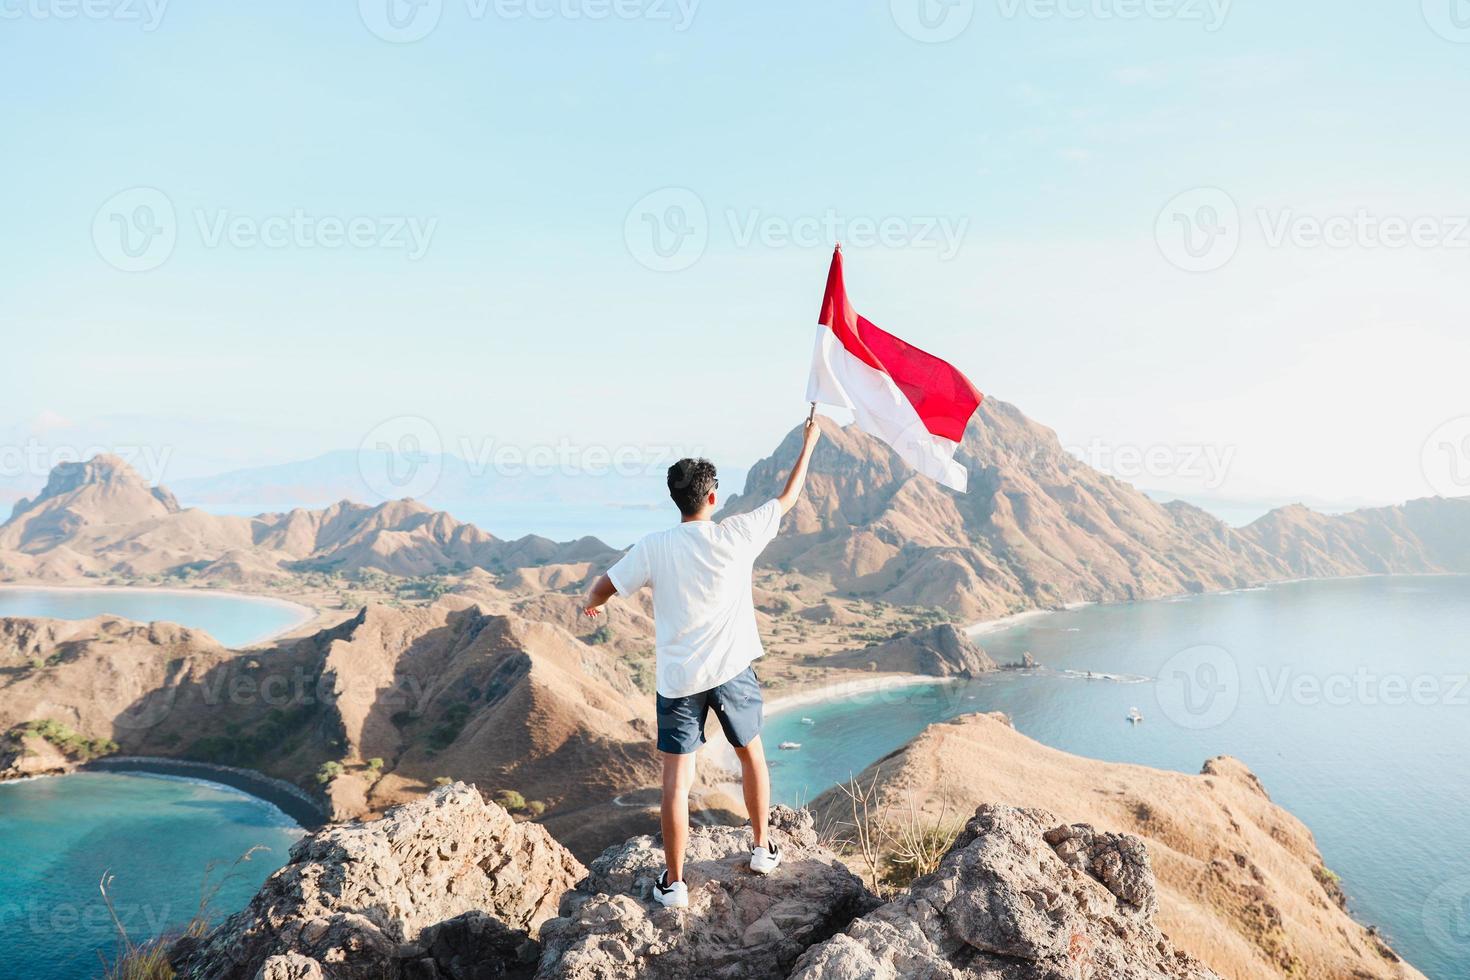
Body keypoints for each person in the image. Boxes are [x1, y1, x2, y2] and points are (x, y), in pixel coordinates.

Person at [581, 415, 823, 909]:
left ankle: (674, 884)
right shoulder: (737, 534)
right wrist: (809, 443)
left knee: (677, 782)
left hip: (679, 681)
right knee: (751, 754)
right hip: (732, 671)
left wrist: (594, 601)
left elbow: (606, 583)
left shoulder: (654, 547)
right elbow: (788, 498)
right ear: (712, 498)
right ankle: (761, 849)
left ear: (677, 499)